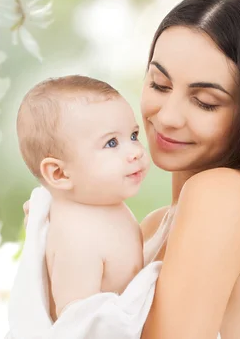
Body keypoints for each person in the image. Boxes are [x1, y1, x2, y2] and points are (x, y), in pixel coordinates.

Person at [23, 0, 240, 339]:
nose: (169, 116)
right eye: (159, 84)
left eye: (205, 101)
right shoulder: (148, 228)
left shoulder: (223, 195)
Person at [15, 75, 150, 321]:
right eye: (111, 143)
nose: (136, 152)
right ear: (59, 173)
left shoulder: (103, 205)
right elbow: (77, 325)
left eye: (133, 135)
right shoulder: (77, 238)